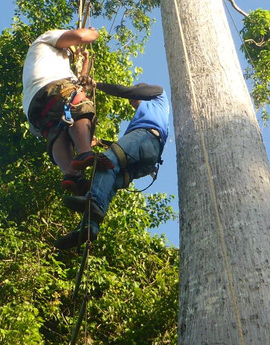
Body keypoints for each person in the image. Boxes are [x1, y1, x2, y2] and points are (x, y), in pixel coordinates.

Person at [55, 83, 170, 249]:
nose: (131, 101)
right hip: (149, 157)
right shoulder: (151, 113)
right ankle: (89, 228)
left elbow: (128, 92)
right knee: (111, 178)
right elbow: (129, 149)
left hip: (145, 136)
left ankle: (92, 203)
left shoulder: (158, 93)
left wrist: (97, 85)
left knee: (104, 164)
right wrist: (101, 142)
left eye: (133, 98)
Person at [22, 27, 111, 194]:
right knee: (80, 104)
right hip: (51, 87)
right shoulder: (47, 38)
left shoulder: (53, 63)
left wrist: (85, 66)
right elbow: (80, 36)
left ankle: (71, 174)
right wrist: (92, 34)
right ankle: (85, 152)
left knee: (56, 131)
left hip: (34, 107)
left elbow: (79, 83)